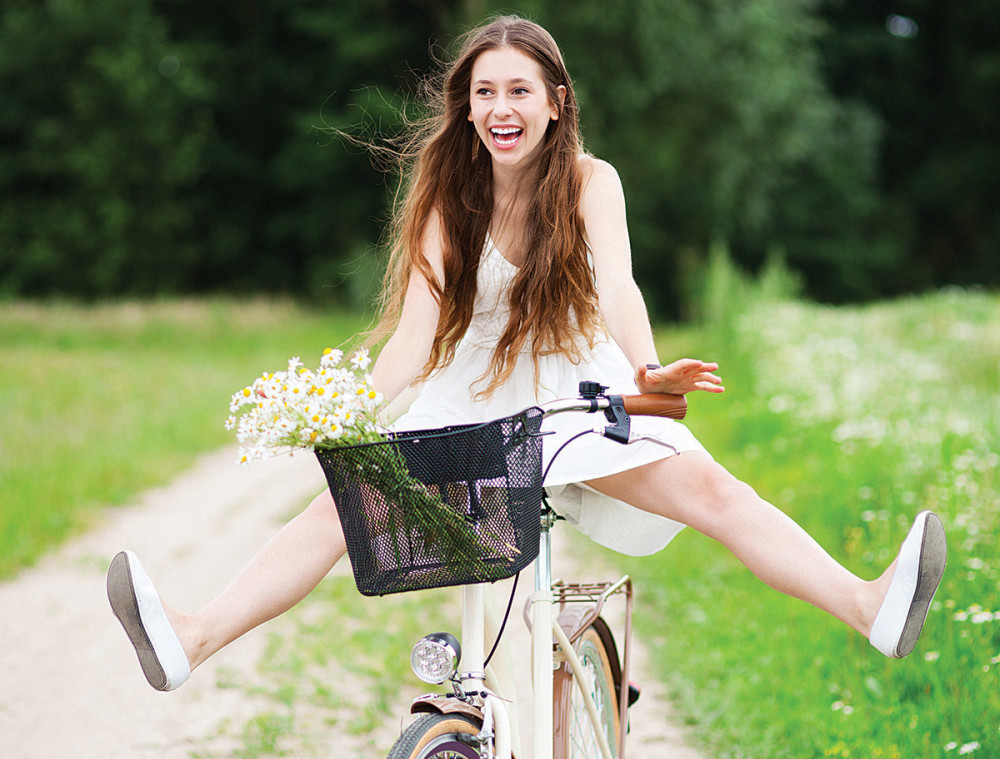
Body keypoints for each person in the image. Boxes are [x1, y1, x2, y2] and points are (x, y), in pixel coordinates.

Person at [108, 15, 946, 693]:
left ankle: (868, 605)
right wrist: (344, 412)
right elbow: (416, 333)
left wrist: (647, 371)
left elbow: (617, 288)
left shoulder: (590, 182)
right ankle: (191, 638)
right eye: (484, 92)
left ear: (555, 101)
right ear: (466, 108)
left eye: (518, 89)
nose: (500, 106)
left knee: (715, 492)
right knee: (340, 504)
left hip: (579, 393)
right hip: (472, 400)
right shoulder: (447, 196)